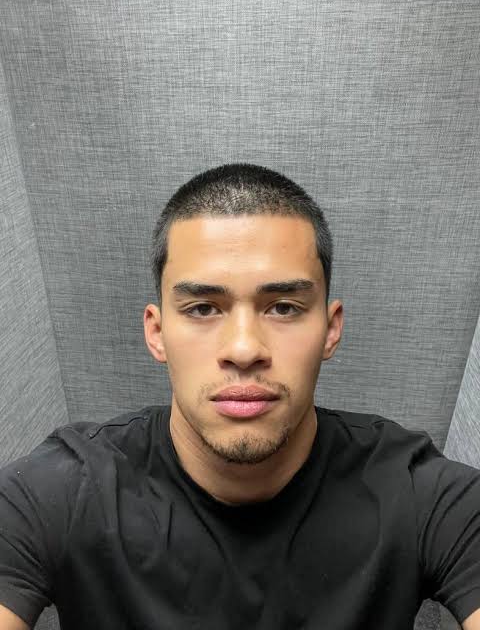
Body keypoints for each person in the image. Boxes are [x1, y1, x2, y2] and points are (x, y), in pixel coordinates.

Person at [0, 163, 479, 630]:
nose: (245, 349)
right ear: (157, 333)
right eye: (203, 308)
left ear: (330, 330)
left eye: (284, 307)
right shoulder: (57, 493)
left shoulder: (421, 495)